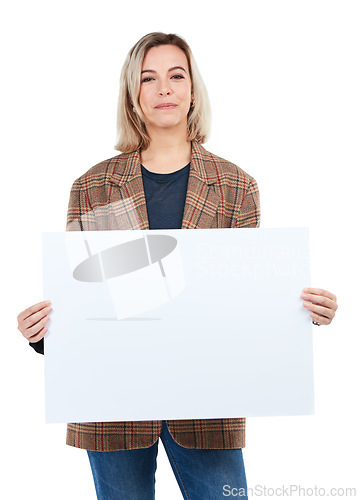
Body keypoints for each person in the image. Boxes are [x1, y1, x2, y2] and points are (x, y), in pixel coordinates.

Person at [17, 32, 338, 500]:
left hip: (208, 404)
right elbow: (85, 297)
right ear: (133, 93)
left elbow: (246, 302)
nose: (163, 88)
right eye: (148, 78)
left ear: (192, 89)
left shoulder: (235, 186)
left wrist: (299, 315)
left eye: (176, 75)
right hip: (114, 403)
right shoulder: (93, 186)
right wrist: (45, 335)